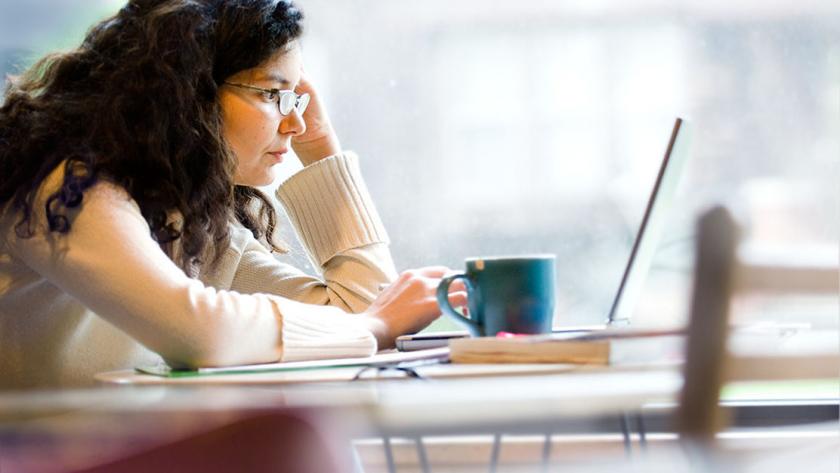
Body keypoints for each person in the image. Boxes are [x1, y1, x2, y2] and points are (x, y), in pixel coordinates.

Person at [0, 0, 466, 389]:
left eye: (298, 99)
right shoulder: (65, 187)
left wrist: (321, 144)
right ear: (185, 92)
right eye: (273, 94)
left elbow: (362, 307)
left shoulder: (194, 225)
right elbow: (200, 331)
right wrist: (373, 328)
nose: (296, 122)